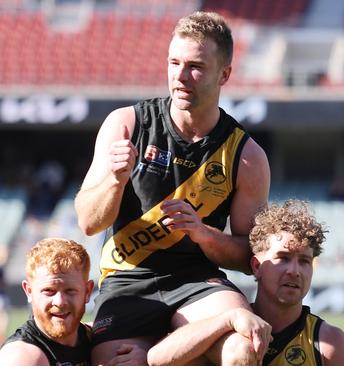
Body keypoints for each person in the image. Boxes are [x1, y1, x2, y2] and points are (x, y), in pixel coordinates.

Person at [74, 11, 271, 365]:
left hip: (197, 282)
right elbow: (88, 221)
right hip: (126, 280)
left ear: (225, 74)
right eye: (173, 62)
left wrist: (203, 234)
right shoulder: (127, 123)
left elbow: (247, 258)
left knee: (244, 346)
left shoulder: (246, 157)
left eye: (195, 66)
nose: (180, 77)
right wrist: (115, 180)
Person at [146, 199, 344, 366]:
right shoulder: (227, 326)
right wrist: (228, 319)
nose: (294, 271)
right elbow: (156, 358)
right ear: (256, 266)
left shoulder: (328, 343)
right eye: (282, 258)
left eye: (304, 261)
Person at [0, 238, 94, 366]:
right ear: (29, 291)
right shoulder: (20, 357)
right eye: (48, 290)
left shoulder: (101, 339)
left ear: (87, 291)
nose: (60, 302)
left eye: (70, 290)